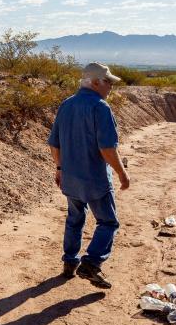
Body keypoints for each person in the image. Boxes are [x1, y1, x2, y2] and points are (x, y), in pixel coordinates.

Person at [47, 62, 130, 289]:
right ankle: (91, 263)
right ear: (95, 82)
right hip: (95, 179)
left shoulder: (66, 104)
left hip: (71, 177)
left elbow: (55, 144)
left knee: (75, 219)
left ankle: (69, 262)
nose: (111, 87)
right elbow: (107, 149)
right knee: (108, 222)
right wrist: (122, 173)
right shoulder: (100, 107)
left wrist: (60, 168)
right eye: (108, 82)